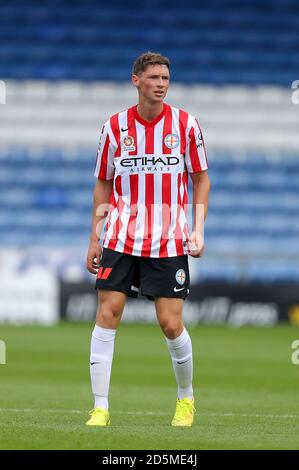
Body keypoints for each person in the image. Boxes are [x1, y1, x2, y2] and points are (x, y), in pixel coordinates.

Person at [86, 52, 210, 427]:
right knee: (108, 314)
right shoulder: (114, 127)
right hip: (121, 236)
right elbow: (103, 181)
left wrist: (198, 227)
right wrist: (95, 236)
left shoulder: (186, 125)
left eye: (166, 77)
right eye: (154, 76)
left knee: (171, 324)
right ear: (136, 80)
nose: (161, 83)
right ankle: (100, 407)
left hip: (169, 240)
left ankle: (186, 400)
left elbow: (201, 178)